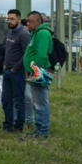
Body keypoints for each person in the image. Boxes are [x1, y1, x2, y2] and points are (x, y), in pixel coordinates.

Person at [0, 9, 30, 133]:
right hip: (7, 71)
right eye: (8, 19)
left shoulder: (24, 34)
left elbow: (27, 54)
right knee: (6, 100)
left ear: (19, 20)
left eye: (12, 19)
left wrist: (16, 67)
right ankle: (8, 125)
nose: (9, 21)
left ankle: (19, 126)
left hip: (18, 72)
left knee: (19, 101)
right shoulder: (9, 33)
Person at [24, 11, 55, 139]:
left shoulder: (42, 34)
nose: (27, 23)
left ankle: (43, 131)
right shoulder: (36, 34)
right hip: (35, 72)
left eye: (30, 21)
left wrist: (35, 72)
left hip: (38, 73)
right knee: (37, 103)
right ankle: (39, 130)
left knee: (41, 102)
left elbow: (41, 55)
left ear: (38, 21)